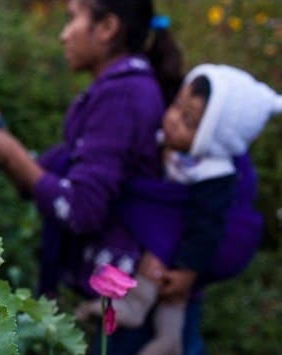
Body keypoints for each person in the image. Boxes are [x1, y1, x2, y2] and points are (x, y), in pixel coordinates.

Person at [0, 0, 184, 353]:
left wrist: (10, 154)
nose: (62, 34)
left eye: (72, 19)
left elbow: (80, 207)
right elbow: (48, 175)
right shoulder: (118, 88)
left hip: (115, 311)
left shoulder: (123, 95)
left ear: (107, 28)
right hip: (105, 300)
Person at [76, 64, 281, 354]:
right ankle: (166, 338)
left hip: (181, 259)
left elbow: (206, 226)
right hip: (163, 256)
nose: (172, 120)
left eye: (188, 119)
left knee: (173, 291)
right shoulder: (171, 147)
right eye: (175, 106)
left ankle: (155, 328)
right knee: (166, 283)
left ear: (216, 136)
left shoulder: (215, 173)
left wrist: (187, 269)